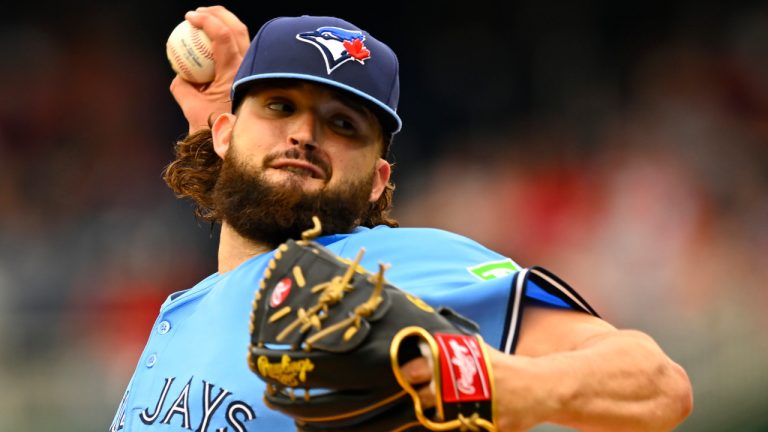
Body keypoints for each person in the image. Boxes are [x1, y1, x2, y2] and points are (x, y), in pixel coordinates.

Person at [110, 6, 692, 431]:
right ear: (224, 133)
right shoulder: (190, 307)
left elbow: (657, 382)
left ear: (379, 181)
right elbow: (252, 223)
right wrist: (229, 145)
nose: (304, 134)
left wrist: (504, 383)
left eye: (344, 126)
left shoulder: (392, 267)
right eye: (280, 106)